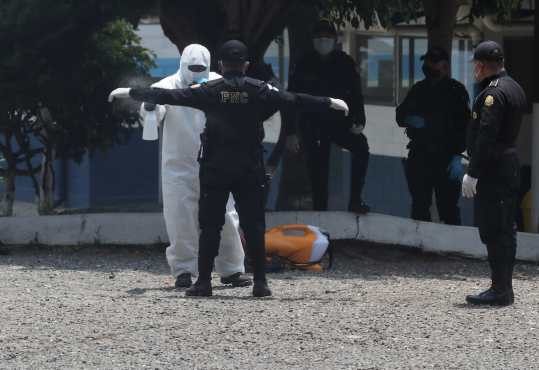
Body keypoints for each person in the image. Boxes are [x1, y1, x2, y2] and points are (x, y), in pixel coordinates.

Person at [109, 40, 350, 297]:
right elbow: (292, 99)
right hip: (246, 167)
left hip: (215, 168)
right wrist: (327, 102)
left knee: (213, 224)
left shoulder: (210, 90)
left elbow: (166, 96)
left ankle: (206, 280)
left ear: (220, 65)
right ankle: (259, 282)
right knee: (251, 225)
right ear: (246, 65)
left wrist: (133, 93)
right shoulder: (256, 90)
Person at [140, 44, 249, 289]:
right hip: (179, 165)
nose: (196, 73)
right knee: (180, 218)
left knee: (226, 216)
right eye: (193, 68)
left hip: (216, 161)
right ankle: (184, 271)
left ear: (210, 66)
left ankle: (231, 269)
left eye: (201, 68)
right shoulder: (166, 86)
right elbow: (153, 115)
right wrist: (149, 107)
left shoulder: (220, 83)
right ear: (182, 65)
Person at [462, 40, 526, 306]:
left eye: (475, 65)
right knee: (506, 227)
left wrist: (473, 172)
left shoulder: (493, 94)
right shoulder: (514, 86)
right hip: (508, 165)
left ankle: (500, 289)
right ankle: (503, 286)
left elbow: (487, 135)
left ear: (480, 65)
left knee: (493, 227)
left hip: (493, 169)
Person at [285, 19, 370, 213]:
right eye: (319, 38)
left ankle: (355, 201)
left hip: (339, 122)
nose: (323, 41)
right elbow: (290, 99)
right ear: (313, 40)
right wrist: (290, 131)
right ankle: (319, 210)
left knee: (362, 148)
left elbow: (356, 94)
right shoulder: (304, 63)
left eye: (327, 37)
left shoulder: (345, 62)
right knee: (318, 169)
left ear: (335, 40)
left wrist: (360, 120)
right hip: (312, 124)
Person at [396, 47, 470, 225]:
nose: (428, 66)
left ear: (444, 66)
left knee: (449, 208)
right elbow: (400, 115)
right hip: (420, 155)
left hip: (446, 158)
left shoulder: (456, 91)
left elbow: (465, 127)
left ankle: (452, 248)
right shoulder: (419, 89)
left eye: (433, 62)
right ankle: (418, 247)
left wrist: (457, 156)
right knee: (419, 206)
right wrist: (409, 119)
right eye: (427, 62)